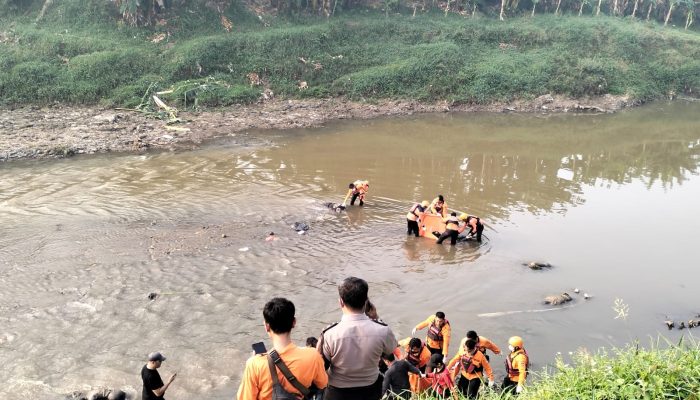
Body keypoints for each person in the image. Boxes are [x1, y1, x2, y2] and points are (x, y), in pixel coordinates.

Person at [321, 277, 398, 400]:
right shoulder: (382, 330)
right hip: (370, 391)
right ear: (366, 301)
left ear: (341, 302)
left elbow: (321, 366)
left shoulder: (329, 334)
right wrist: (376, 318)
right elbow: (391, 348)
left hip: (337, 393)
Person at [237, 298, 328, 400]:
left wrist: (255, 360)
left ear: (267, 327)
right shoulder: (313, 356)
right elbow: (322, 384)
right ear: (294, 322)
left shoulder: (255, 364)